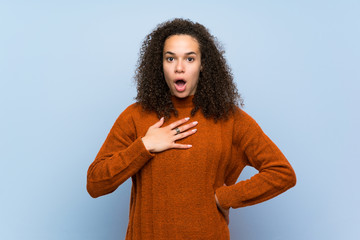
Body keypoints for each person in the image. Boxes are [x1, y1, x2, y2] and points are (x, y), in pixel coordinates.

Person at [87, 18, 296, 239]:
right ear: (161, 64)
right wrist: (144, 146)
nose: (179, 67)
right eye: (170, 58)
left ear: (202, 64)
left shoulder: (231, 119)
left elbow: (282, 173)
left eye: (189, 58)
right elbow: (95, 183)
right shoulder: (136, 116)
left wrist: (224, 198)